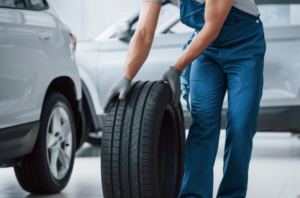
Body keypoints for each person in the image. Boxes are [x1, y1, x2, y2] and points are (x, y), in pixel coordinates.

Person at [103, 0, 266, 197]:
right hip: (206, 52)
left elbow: (213, 27)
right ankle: (193, 195)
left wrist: (176, 68)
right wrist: (126, 75)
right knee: (203, 124)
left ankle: (232, 194)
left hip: (244, 47)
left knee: (242, 126)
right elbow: (144, 33)